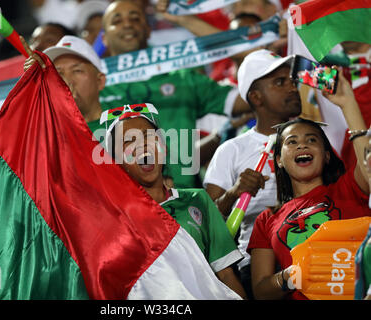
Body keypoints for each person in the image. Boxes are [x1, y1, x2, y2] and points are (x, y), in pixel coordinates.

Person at [99, 0, 251, 188]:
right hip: (119, 201)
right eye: (117, 20)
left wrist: (185, 20)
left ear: (148, 30)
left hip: (184, 202)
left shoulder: (182, 78)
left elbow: (253, 96)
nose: (128, 24)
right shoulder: (93, 87)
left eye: (135, 18)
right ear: (104, 38)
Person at [247, 69, 371, 300]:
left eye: (311, 140)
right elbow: (260, 292)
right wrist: (289, 276)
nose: (302, 145)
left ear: (326, 155)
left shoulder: (351, 188)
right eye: (292, 142)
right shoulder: (266, 220)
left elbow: (368, 162)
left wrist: (347, 103)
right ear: (280, 161)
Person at [101, 104, 247, 299]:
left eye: (148, 136)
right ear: (116, 161)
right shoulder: (114, 220)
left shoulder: (198, 199)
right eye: (128, 141)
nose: (142, 145)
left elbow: (226, 274)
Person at [203, 49, 302, 299]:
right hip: (257, 268)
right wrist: (234, 193)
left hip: (314, 255)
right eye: (280, 82)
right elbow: (206, 223)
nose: (292, 87)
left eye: (292, 80)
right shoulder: (231, 150)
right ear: (256, 97)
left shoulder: (314, 138)